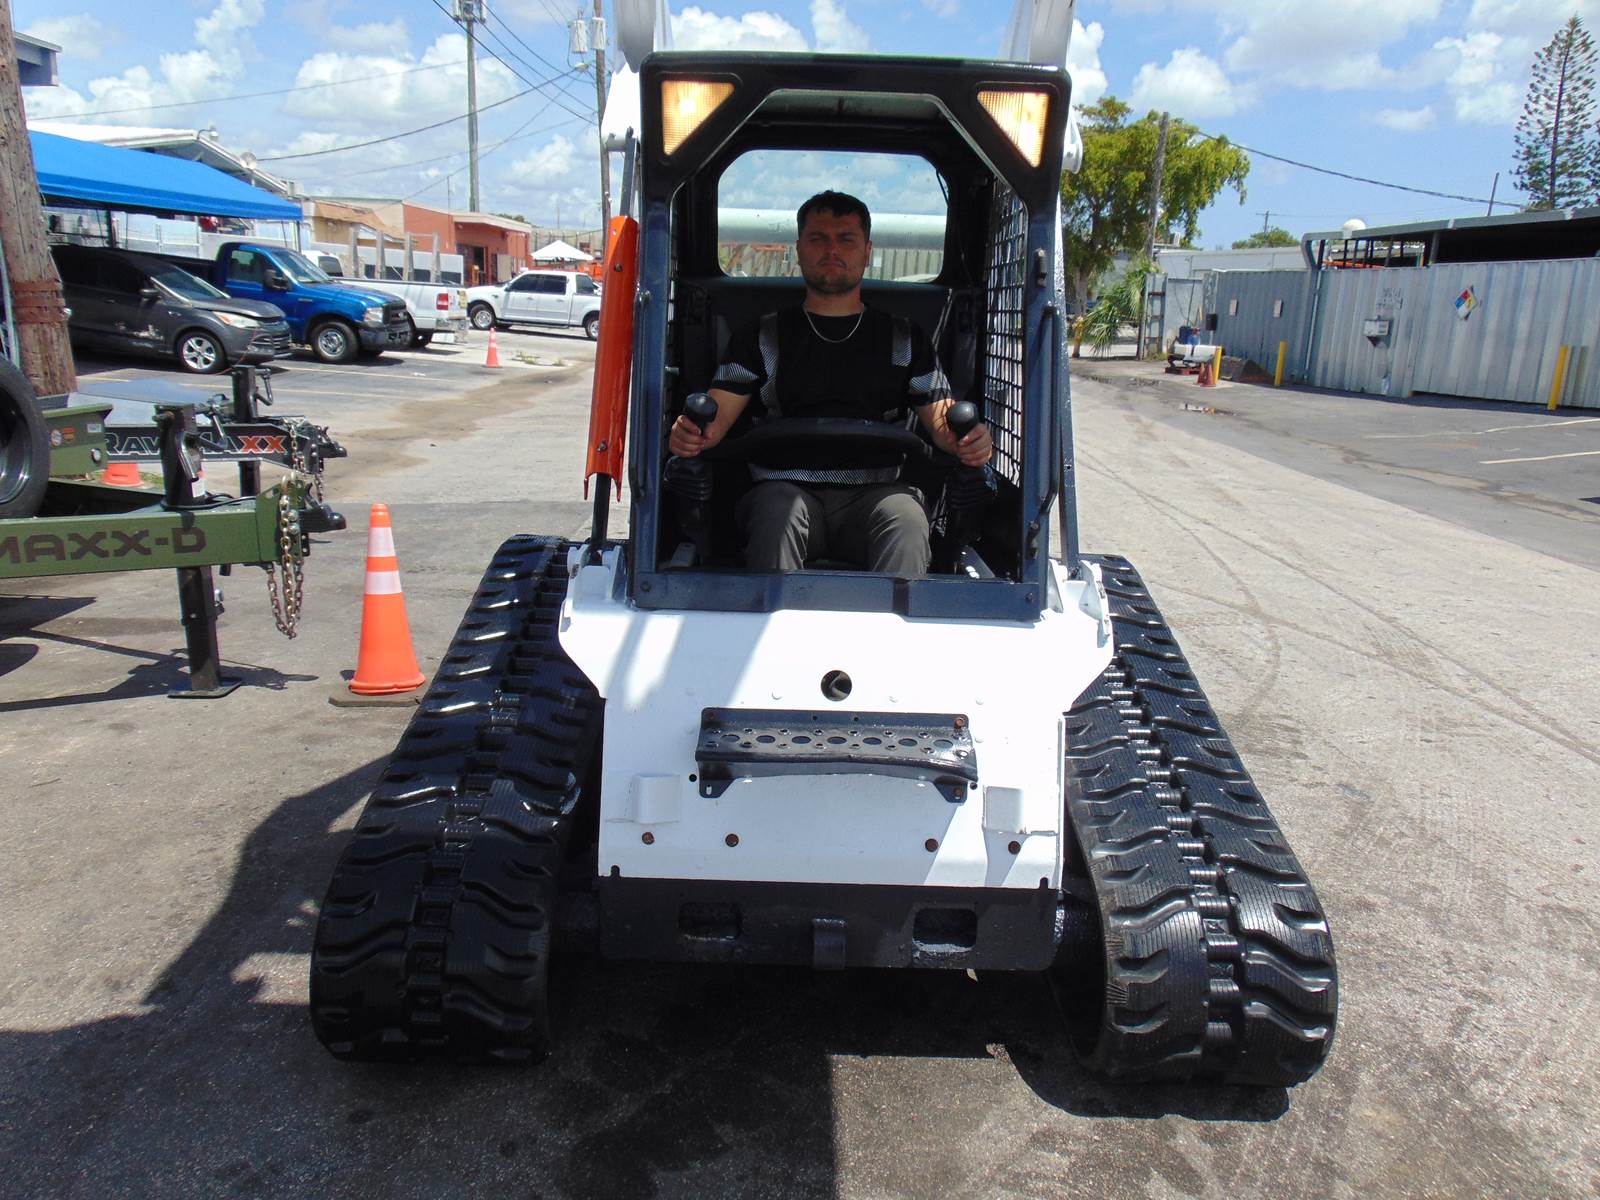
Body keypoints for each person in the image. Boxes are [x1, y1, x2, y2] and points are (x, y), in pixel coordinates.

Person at [667, 190, 992, 576]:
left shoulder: (904, 339)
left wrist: (969, 440)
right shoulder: (761, 337)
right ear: (799, 249)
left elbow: (943, 422)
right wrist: (692, 432)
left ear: (867, 250)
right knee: (777, 515)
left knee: (906, 520)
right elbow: (716, 416)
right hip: (783, 489)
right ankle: (773, 624)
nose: (831, 249)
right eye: (818, 238)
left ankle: (895, 629)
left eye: (846, 239)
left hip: (876, 495)